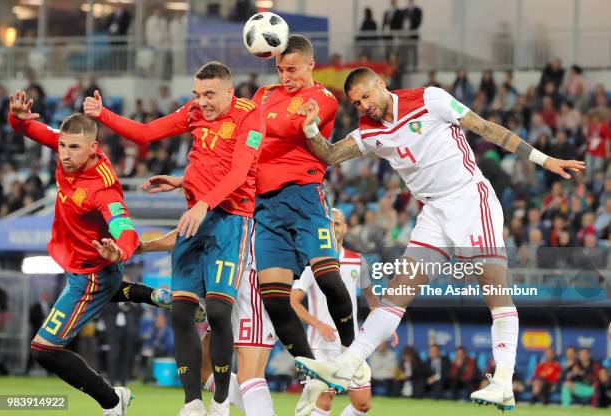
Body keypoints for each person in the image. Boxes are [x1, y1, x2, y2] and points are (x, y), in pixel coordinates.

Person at [293, 66, 585, 411]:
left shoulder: (429, 99)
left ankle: (504, 381)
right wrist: (310, 126)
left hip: (469, 199)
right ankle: (346, 364)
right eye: (356, 103)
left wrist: (544, 159)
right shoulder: (369, 133)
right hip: (433, 213)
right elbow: (329, 154)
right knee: (398, 291)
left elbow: (487, 128)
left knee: (495, 291)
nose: (364, 106)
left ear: (381, 84)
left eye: (366, 96)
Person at [84, 61, 264, 416]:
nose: (202, 102)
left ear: (230, 91)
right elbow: (147, 133)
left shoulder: (249, 116)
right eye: (197, 94)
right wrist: (103, 114)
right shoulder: (194, 112)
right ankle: (192, 403)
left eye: (209, 94)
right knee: (181, 311)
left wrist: (201, 203)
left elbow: (239, 171)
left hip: (231, 220)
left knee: (216, 309)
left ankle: (221, 400)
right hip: (194, 216)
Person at [249, 35, 368, 414]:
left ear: (311, 65)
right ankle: (312, 368)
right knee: (273, 298)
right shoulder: (263, 95)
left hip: (305, 199)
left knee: (331, 280)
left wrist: (260, 120)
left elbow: (288, 127)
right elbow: (248, 139)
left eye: (293, 69)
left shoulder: (323, 98)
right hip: (266, 206)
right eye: (281, 69)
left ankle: (353, 355)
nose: (286, 77)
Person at [8, 90, 140, 416]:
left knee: (44, 348)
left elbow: (126, 228)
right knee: (47, 346)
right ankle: (157, 297)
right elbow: (27, 129)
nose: (64, 154)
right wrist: (16, 116)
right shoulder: (68, 148)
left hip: (92, 273)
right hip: (74, 262)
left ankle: (112, 402)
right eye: (62, 146)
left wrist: (119, 251)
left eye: (74, 148)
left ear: (93, 148)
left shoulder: (102, 188)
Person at [124, 228, 277, 416]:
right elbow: (189, 229)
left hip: (248, 286)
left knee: (249, 375)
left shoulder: (245, 207)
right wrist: (146, 246)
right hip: (222, 286)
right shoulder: (206, 208)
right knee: (206, 371)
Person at [291, 208, 397, 416]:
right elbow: (292, 302)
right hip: (320, 345)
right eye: (330, 224)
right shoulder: (312, 262)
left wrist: (386, 326)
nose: (334, 228)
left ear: (345, 228)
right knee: (324, 399)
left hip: (351, 344)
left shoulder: (357, 260)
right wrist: (318, 324)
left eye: (337, 224)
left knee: (363, 404)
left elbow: (371, 299)